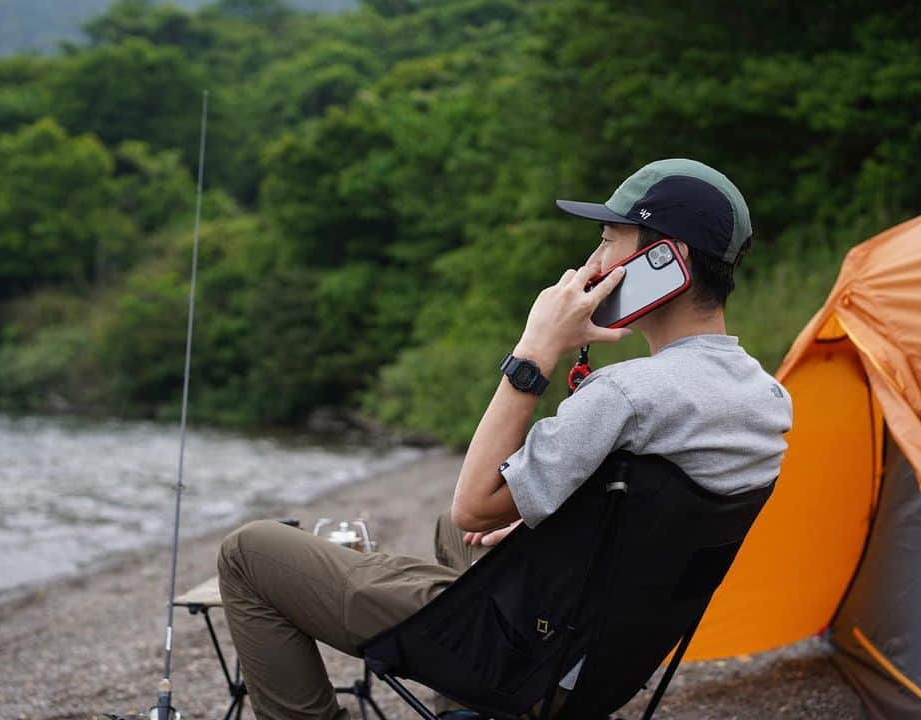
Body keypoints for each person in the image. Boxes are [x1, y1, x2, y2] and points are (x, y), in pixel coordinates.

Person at [217, 158, 793, 720]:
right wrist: (568, 529)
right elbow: (640, 514)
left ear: (668, 257)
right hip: (605, 667)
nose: (592, 263)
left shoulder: (627, 395)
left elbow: (475, 499)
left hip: (528, 661)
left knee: (249, 552)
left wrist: (535, 349)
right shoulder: (766, 401)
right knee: (460, 532)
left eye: (607, 240)